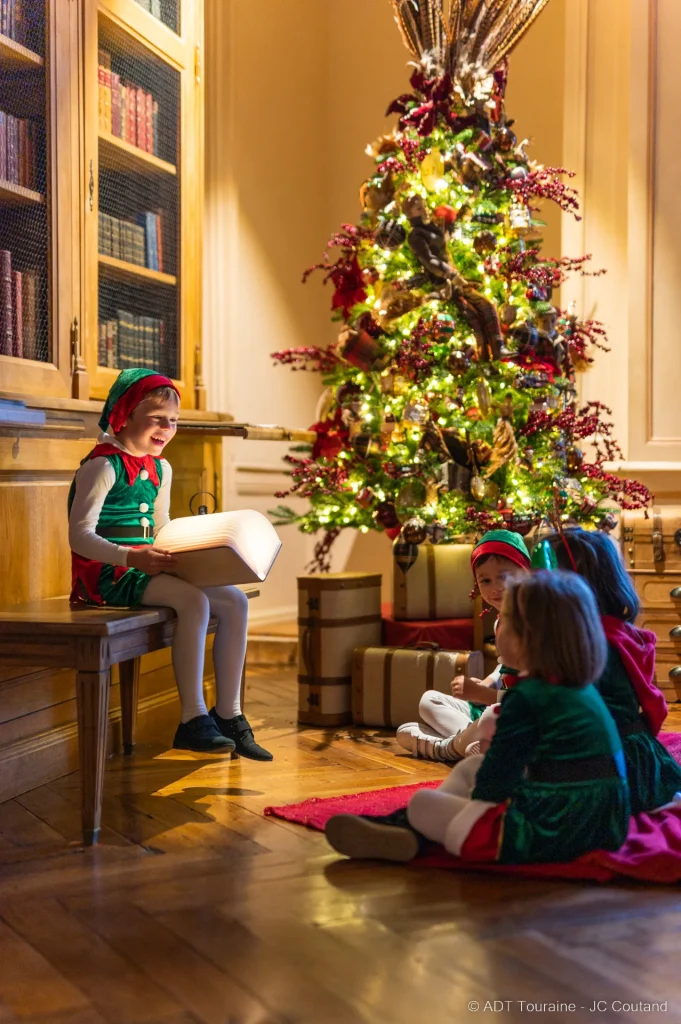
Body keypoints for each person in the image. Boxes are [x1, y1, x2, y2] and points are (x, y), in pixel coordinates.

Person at [325, 571, 630, 864]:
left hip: (558, 825)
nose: (496, 630)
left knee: (422, 804)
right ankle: (404, 829)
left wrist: (477, 811)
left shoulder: (526, 699)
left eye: (504, 622)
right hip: (604, 820)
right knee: (471, 765)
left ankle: (410, 830)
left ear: (527, 639)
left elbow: (498, 776)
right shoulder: (578, 688)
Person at [68, 368, 272, 760]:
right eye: (158, 418)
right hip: (109, 575)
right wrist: (132, 557)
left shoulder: (161, 468)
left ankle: (228, 713)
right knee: (193, 601)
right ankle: (192, 718)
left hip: (149, 566)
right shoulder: (102, 466)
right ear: (124, 415)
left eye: (173, 421)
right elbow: (79, 536)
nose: (167, 428)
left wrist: (197, 551)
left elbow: (160, 527)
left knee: (235, 601)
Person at [548, 527, 681, 814]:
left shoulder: (587, 646)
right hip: (639, 754)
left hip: (608, 765)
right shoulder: (621, 634)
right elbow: (654, 707)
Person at [395, 529, 530, 762]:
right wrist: (488, 682)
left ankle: (444, 748)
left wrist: (485, 694)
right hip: (494, 705)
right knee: (429, 700)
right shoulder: (501, 620)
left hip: (518, 713)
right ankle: (472, 740)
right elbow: (505, 667)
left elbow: (533, 696)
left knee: (492, 716)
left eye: (504, 577)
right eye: (485, 580)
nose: (494, 587)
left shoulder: (532, 624)